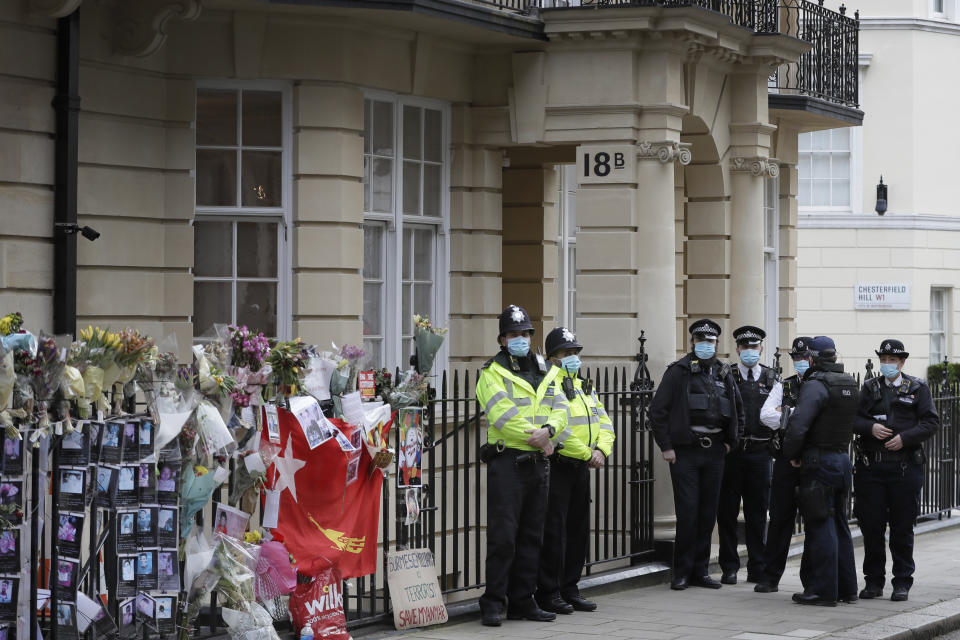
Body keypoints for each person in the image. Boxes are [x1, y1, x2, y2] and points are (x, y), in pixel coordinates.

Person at [475, 305, 570, 627]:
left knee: (532, 536)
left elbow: (561, 408)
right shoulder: (492, 372)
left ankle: (522, 601)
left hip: (537, 463)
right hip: (509, 462)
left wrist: (551, 432)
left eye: (525, 334)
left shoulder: (547, 369)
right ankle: (492, 602)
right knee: (503, 537)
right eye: (513, 334)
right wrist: (541, 439)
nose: (520, 339)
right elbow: (502, 415)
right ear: (502, 339)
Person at [650, 319, 743, 591]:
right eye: (701, 341)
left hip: (715, 452)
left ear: (716, 344)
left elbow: (738, 410)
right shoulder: (678, 371)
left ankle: (701, 571)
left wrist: (730, 443)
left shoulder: (723, 372)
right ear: (692, 342)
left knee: (707, 514)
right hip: (686, 452)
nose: (706, 346)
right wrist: (666, 447)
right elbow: (658, 412)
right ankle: (682, 572)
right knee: (688, 512)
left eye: (711, 342)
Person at [536, 327, 615, 615]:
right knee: (554, 532)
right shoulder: (548, 385)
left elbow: (604, 422)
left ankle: (571, 587)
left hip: (583, 466)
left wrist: (601, 450)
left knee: (578, 530)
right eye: (566, 353)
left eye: (575, 353)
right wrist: (586, 453)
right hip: (560, 465)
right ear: (553, 357)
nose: (572, 358)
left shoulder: (583, 385)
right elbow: (555, 427)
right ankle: (549, 591)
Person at [853, 339, 939, 602]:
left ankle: (901, 581)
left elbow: (931, 422)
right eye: (884, 360)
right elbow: (853, 419)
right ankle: (873, 581)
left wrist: (906, 438)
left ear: (902, 362)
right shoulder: (869, 388)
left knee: (902, 528)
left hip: (904, 467)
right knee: (872, 527)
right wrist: (870, 428)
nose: (888, 364)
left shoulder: (916, 388)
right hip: (872, 468)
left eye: (893, 360)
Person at [781, 336, 858, 606]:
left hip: (819, 463)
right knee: (840, 526)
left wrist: (791, 454)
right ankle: (847, 589)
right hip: (841, 460)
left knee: (820, 525)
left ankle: (823, 591)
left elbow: (798, 426)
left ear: (812, 358)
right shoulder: (849, 382)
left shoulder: (815, 385)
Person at [717, 325, 779, 585]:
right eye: (745, 347)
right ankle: (729, 567)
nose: (750, 351)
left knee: (757, 512)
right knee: (727, 512)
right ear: (737, 349)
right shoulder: (726, 375)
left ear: (761, 349)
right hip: (733, 454)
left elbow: (779, 411)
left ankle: (757, 566)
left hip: (760, 453)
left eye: (754, 347)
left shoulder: (771, 377)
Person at [754, 337, 813, 593]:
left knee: (814, 521)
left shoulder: (819, 385)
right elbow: (765, 415)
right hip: (784, 460)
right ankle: (770, 577)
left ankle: (811, 580)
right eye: (796, 359)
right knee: (779, 520)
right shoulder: (785, 385)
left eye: (804, 358)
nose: (799, 363)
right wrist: (797, 416)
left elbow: (817, 422)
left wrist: (788, 413)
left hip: (812, 461)